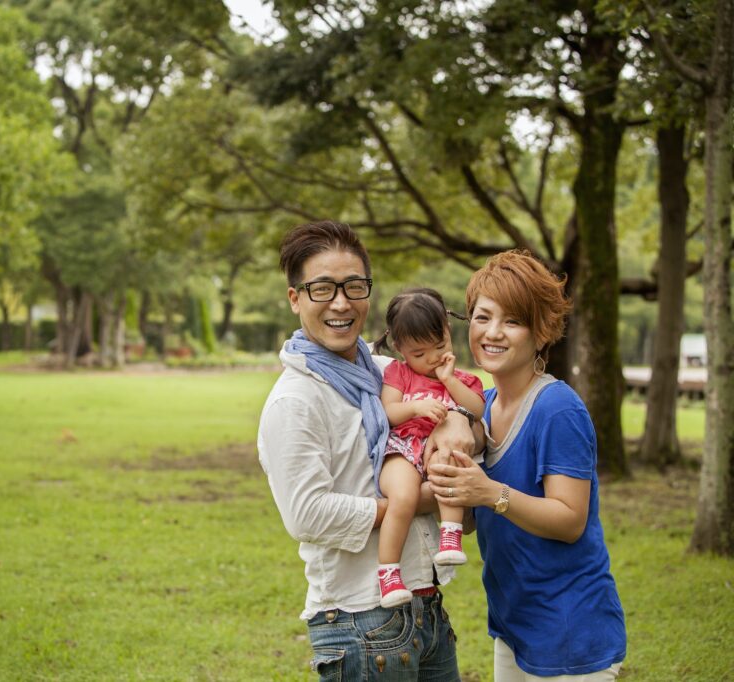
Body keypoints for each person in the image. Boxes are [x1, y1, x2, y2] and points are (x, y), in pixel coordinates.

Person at [257, 220, 481, 681]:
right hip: (359, 622)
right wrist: (416, 500)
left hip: (426, 607)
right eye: (322, 288)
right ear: (295, 298)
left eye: (354, 286)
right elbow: (307, 515)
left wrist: (457, 420)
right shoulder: (295, 401)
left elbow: (457, 410)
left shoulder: (387, 372)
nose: (341, 302)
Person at [427, 250, 626, 681]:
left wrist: (486, 493)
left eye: (512, 321)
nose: (492, 332)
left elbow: (570, 520)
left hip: (571, 633)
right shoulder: (486, 407)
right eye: (482, 317)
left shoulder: (557, 408)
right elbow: (475, 521)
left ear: (541, 333)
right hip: (514, 627)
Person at [371, 289, 486, 608]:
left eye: (440, 346)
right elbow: (388, 413)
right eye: (420, 353)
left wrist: (449, 381)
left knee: (447, 465)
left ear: (449, 333)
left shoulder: (463, 379)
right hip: (403, 449)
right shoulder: (398, 372)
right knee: (404, 497)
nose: (433, 358)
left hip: (437, 450)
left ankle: (450, 532)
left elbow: (477, 409)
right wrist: (416, 408)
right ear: (400, 348)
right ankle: (389, 573)